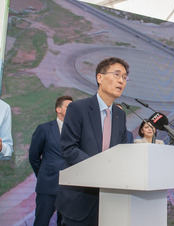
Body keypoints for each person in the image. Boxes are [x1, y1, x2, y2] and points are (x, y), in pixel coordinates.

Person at [56, 57, 129, 225]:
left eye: (124, 77)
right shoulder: (78, 108)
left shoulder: (120, 115)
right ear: (100, 78)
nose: (121, 81)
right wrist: (100, 168)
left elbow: (122, 152)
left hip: (110, 200)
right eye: (117, 74)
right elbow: (68, 148)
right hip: (80, 199)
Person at [29, 96, 73, 226]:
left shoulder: (76, 131)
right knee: (41, 222)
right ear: (58, 109)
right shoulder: (44, 129)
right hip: (48, 187)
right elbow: (34, 156)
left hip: (69, 189)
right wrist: (43, 174)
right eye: (68, 107)